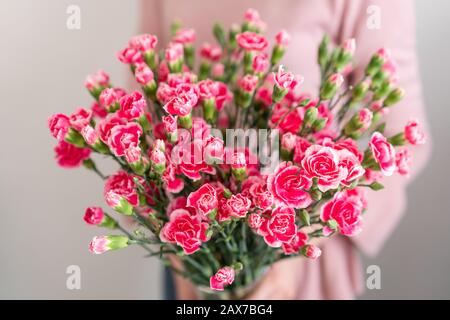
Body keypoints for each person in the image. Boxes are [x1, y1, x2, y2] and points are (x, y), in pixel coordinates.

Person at [140, 0, 431, 299]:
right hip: (193, 257)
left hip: (298, 267)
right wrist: (180, 253)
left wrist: (293, 245)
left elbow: (404, 138)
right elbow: (145, 123)